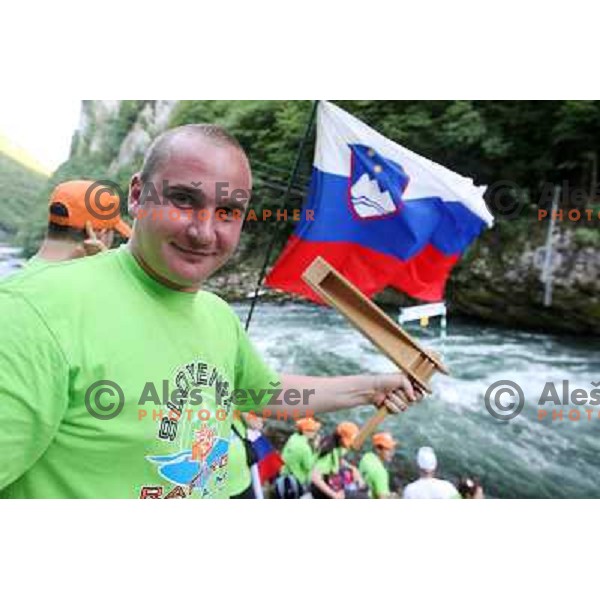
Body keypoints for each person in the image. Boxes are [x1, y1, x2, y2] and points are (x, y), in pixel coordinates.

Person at [0, 124, 416, 499]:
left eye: (227, 212)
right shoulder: (35, 312)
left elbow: (264, 393)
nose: (203, 231)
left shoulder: (218, 315)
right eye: (183, 199)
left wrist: (370, 388)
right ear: (137, 194)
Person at [28, 180, 131, 269]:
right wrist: (102, 264)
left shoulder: (20, 277)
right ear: (98, 234)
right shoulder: (96, 284)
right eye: (113, 232)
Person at [310, 421, 364, 499]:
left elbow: (339, 459)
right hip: (319, 487)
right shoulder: (327, 452)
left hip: (330, 478)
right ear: (341, 438)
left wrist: (352, 468)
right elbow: (315, 477)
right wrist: (334, 495)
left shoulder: (338, 445)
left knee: (358, 486)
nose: (350, 444)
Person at [275, 417, 321, 498]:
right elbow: (309, 466)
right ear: (304, 431)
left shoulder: (294, 437)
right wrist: (315, 449)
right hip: (297, 481)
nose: (315, 433)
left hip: (283, 475)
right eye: (312, 430)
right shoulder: (304, 448)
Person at [359, 432, 397, 499]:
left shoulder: (366, 457)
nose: (392, 453)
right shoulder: (381, 472)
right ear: (378, 449)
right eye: (388, 449)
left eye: (393, 448)